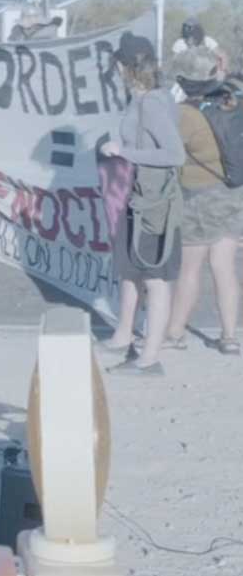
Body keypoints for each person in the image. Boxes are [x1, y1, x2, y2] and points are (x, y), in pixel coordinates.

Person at [99, 33, 186, 376]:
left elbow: (174, 154)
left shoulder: (150, 102)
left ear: (126, 67)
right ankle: (125, 337)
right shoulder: (156, 96)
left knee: (154, 278)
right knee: (133, 270)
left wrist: (123, 151)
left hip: (152, 201)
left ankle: (149, 359)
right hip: (143, 196)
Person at [160, 47, 242, 357]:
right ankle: (230, 336)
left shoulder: (184, 113)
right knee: (224, 267)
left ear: (182, 78)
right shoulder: (233, 99)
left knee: (190, 270)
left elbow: (169, 153)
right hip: (234, 193)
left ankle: (175, 332)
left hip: (198, 198)